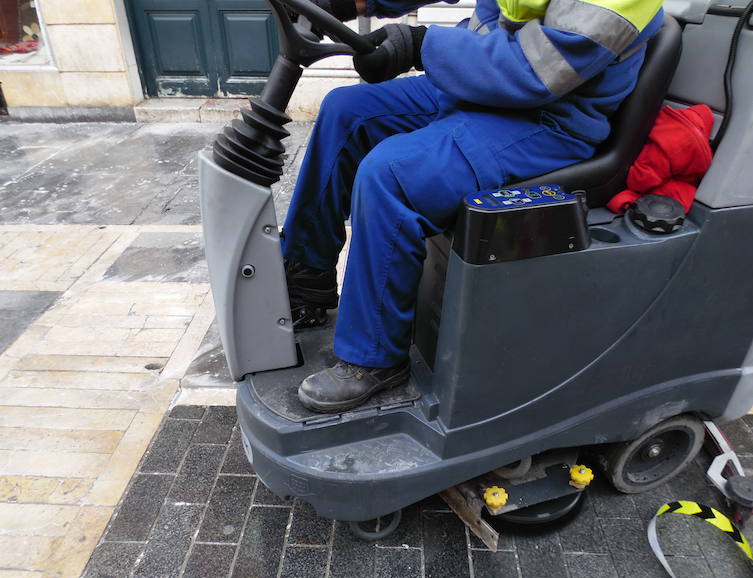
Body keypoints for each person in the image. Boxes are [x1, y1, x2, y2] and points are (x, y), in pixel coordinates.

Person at [283, 0, 665, 413]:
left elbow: (537, 71)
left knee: (391, 174)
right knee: (346, 110)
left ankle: (374, 357)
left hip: (548, 117)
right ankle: (307, 278)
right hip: (484, 88)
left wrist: (419, 46)